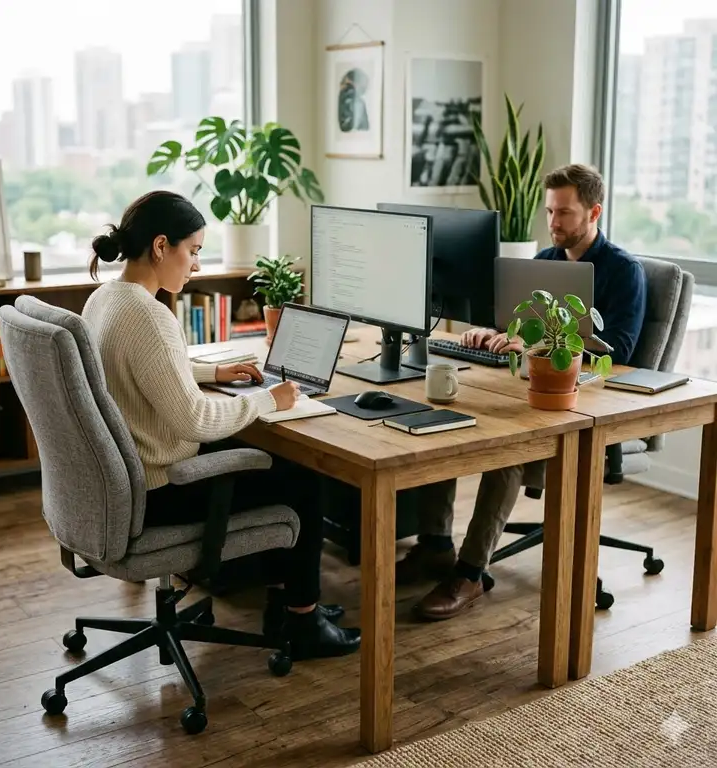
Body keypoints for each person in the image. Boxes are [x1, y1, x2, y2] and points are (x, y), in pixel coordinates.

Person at [81, 190, 361, 661]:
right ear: (160, 246)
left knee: (272, 461)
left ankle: (289, 602)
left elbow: (140, 370)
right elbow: (196, 418)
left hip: (123, 482)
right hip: (160, 488)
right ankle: (301, 619)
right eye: (192, 251)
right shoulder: (150, 316)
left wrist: (215, 373)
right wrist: (266, 399)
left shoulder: (106, 299)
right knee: (304, 477)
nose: (195, 266)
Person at [398, 163, 648, 621]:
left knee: (510, 450)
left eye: (565, 214)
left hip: (589, 401)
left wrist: (532, 344)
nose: (553, 223)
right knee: (439, 413)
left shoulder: (623, 272)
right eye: (550, 211)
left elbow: (620, 354)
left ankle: (470, 574)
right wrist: (487, 335)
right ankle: (435, 544)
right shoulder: (544, 264)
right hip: (532, 389)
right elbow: (514, 329)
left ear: (594, 212)